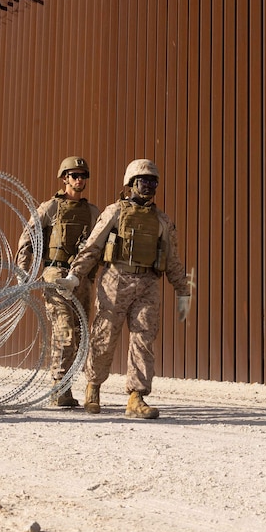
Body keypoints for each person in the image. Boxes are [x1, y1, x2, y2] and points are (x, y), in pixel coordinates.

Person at [56, 159, 192, 419]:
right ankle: (93, 388)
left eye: (153, 181)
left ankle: (136, 397)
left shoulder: (162, 220)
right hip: (116, 280)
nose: (149, 186)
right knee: (104, 336)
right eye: (144, 181)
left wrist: (182, 290)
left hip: (148, 284)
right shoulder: (115, 212)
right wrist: (75, 275)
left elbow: (172, 259)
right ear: (131, 183)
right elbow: (92, 246)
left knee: (144, 340)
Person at [16, 156, 101, 408]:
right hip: (55, 274)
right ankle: (58, 389)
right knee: (64, 332)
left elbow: (99, 246)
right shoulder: (50, 208)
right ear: (65, 178)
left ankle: (66, 387)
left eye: (83, 176)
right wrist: (23, 275)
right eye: (74, 175)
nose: (79, 180)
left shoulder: (93, 212)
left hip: (82, 279)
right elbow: (27, 240)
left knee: (80, 335)